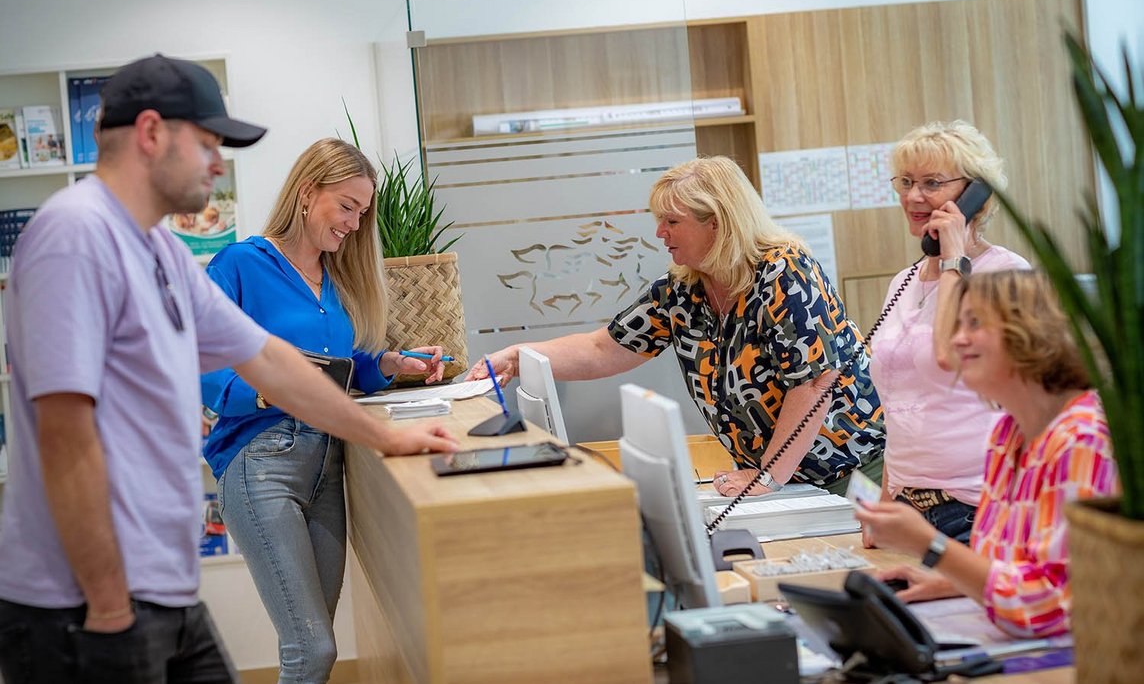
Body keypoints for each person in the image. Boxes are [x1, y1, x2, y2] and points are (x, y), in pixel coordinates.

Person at [0, 55, 457, 684]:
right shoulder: (75, 236)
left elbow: (269, 359)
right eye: (209, 144)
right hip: (82, 601)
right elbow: (64, 433)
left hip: (158, 583)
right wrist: (108, 605)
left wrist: (388, 436)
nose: (219, 164)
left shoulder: (158, 248)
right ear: (153, 133)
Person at [471, 155, 885, 497]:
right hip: (784, 483)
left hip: (854, 468)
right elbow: (604, 349)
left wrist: (767, 475)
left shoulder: (784, 272)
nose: (659, 233)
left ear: (717, 223)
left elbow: (814, 382)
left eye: (671, 221)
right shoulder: (683, 290)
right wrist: (518, 356)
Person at [200, 137, 446, 683]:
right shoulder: (243, 262)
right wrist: (273, 389)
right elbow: (202, 367)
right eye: (346, 207)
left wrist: (391, 364)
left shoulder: (332, 280)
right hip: (262, 463)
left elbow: (336, 366)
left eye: (363, 212)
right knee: (310, 650)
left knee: (318, 645)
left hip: (327, 467)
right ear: (307, 193)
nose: (355, 225)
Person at [857, 270, 1119, 638]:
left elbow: (1045, 606)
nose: (957, 340)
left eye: (974, 324)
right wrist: (950, 582)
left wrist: (930, 547)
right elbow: (1012, 567)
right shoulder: (1006, 433)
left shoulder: (1082, 439)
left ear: (1030, 331)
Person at [868, 121, 1029, 546]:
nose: (914, 197)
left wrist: (954, 257)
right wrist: (885, 506)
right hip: (905, 507)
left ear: (975, 194)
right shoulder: (903, 281)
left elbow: (949, 356)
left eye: (932, 183)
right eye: (906, 182)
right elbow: (898, 403)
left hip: (973, 507)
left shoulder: (1006, 274)